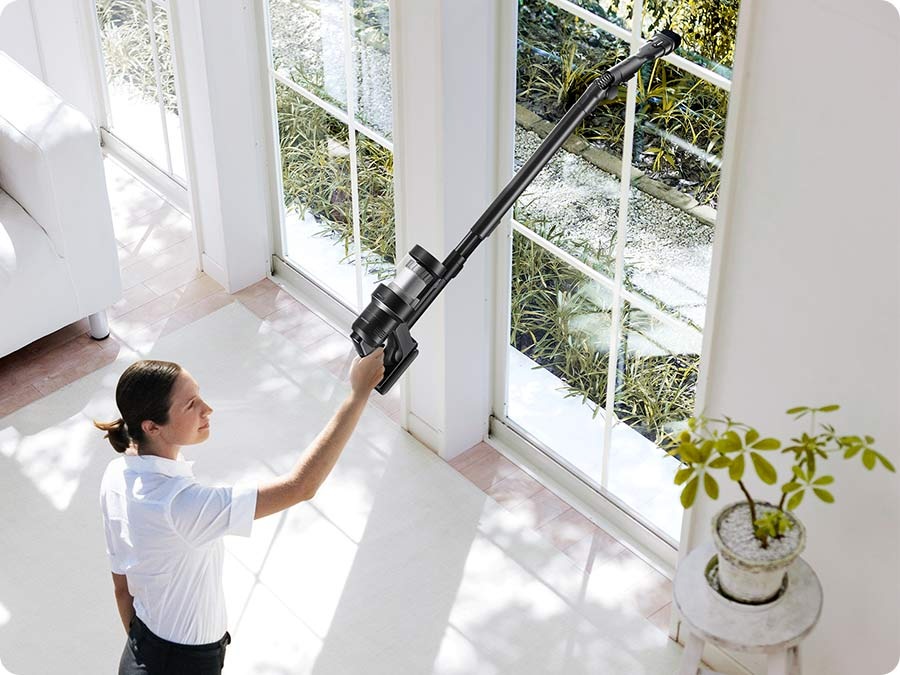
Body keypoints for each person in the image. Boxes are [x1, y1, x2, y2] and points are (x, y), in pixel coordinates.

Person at [94, 346, 385, 674]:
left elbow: (122, 587)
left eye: (199, 395)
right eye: (191, 404)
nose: (208, 409)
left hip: (145, 649)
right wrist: (359, 394)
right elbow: (300, 486)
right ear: (151, 427)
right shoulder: (181, 505)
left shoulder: (117, 476)